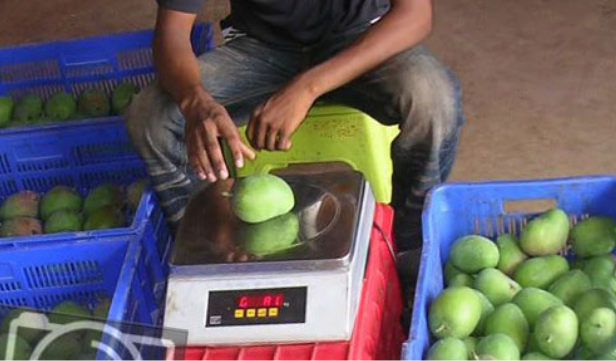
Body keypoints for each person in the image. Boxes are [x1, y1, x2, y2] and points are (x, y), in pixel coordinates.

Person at [126, 0, 464, 292]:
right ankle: (207, 257)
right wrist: (196, 102)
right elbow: (171, 35)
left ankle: (409, 255)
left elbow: (416, 14)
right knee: (151, 117)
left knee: (434, 101)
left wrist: (307, 87)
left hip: (358, 40)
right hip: (260, 50)